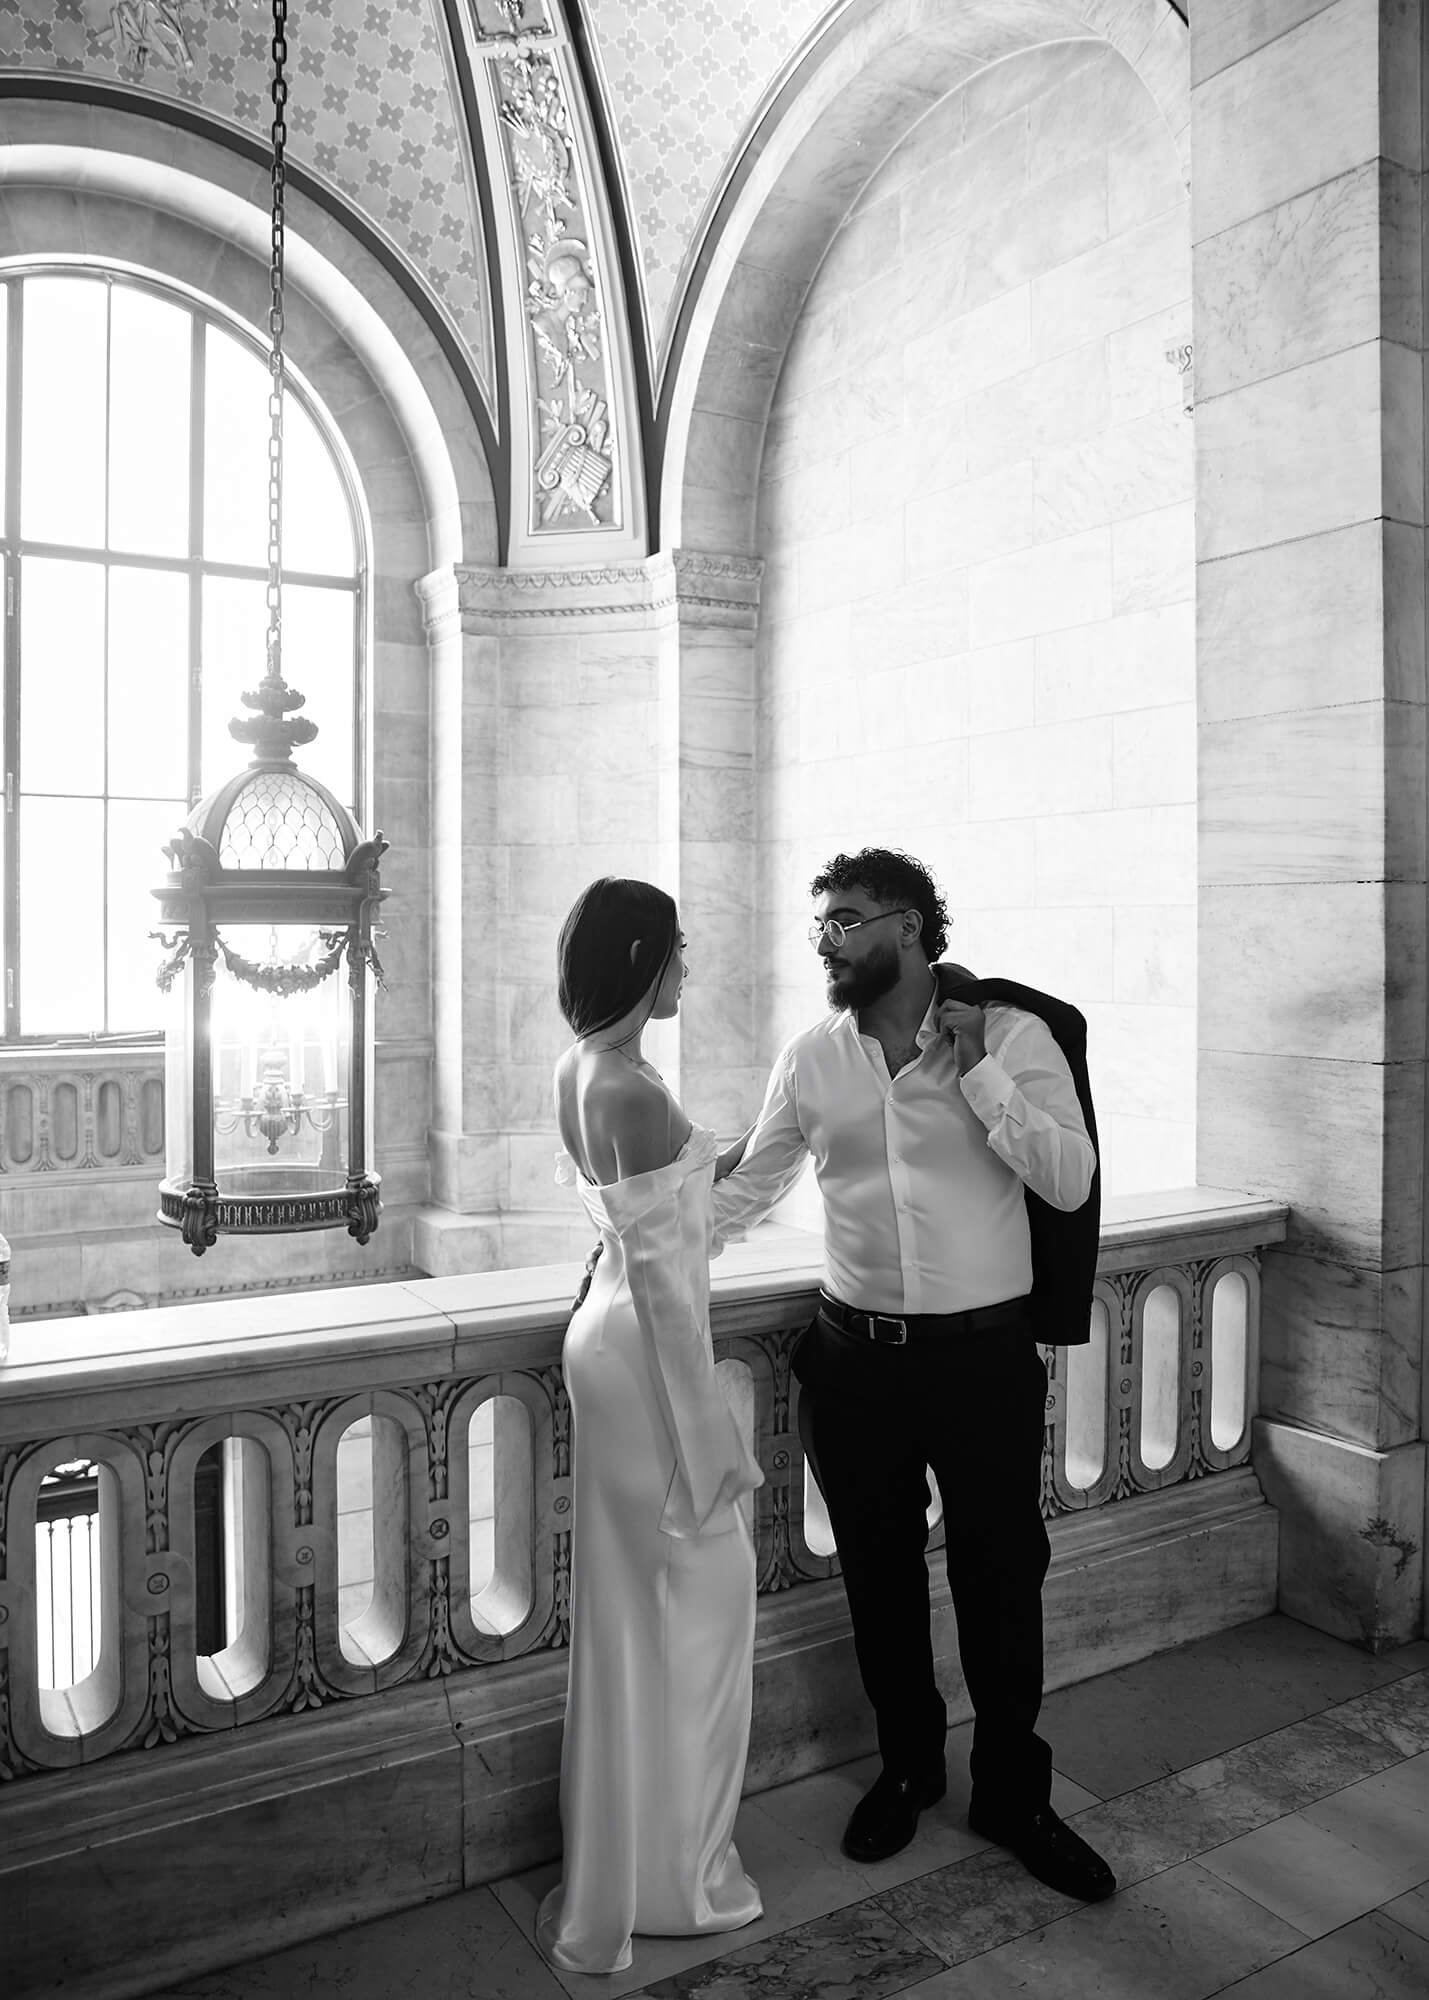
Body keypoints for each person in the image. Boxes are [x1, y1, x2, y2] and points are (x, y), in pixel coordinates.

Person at [716, 846, 1116, 1903]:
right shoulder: (811, 1057)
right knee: (879, 1578)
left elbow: (1068, 1179)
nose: (826, 939)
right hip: (853, 1364)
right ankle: (905, 1766)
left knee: (999, 1577)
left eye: (845, 919)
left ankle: (1013, 1793)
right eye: (822, 922)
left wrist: (979, 1069)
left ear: (906, 924)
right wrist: (631, 1240)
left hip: (981, 1360)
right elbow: (747, 1188)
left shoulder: (1016, 1036)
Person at [537, 877, 764, 1976]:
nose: (691, 967)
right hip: (643, 1357)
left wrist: (777, 1140)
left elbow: (656, 1220)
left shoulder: (579, 1068)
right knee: (710, 1599)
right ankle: (676, 1878)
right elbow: (676, 1287)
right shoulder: (628, 1085)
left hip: (601, 1336)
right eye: (681, 949)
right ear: (644, 959)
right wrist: (713, 1443)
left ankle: (623, 1865)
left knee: (630, 1613)